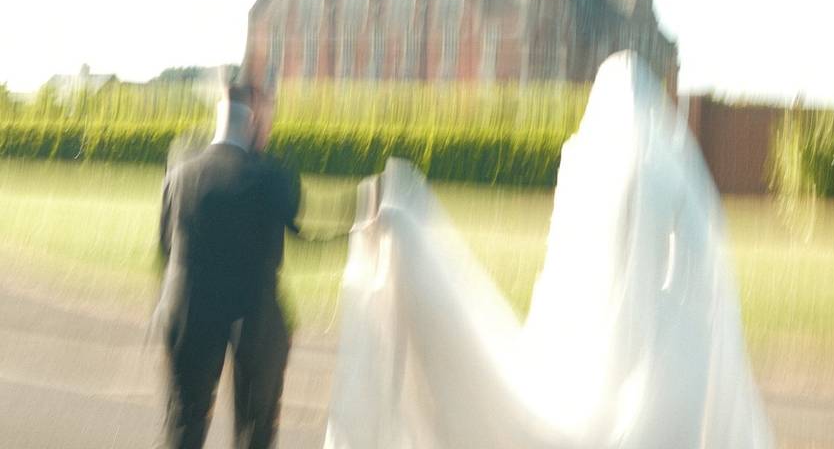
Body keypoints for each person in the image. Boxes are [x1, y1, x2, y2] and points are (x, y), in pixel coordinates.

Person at [322, 51, 774, 448]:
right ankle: (404, 234)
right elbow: (696, 262)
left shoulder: (593, 167)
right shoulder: (666, 175)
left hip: (604, 341)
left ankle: (402, 233)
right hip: (663, 348)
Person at [154, 82, 301, 449]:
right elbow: (297, 233)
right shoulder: (273, 177)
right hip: (255, 318)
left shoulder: (179, 172)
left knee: (184, 423)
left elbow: (166, 248)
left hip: (187, 310)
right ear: (252, 121)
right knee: (256, 429)